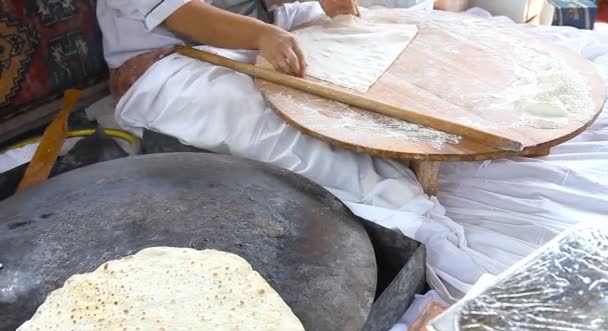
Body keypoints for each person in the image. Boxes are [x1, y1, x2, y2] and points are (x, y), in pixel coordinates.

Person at [96, 0, 489, 301]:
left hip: (249, 33)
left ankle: (394, 159)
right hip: (166, 64)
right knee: (296, 134)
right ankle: (409, 224)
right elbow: (185, 16)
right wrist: (263, 38)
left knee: (364, 31)